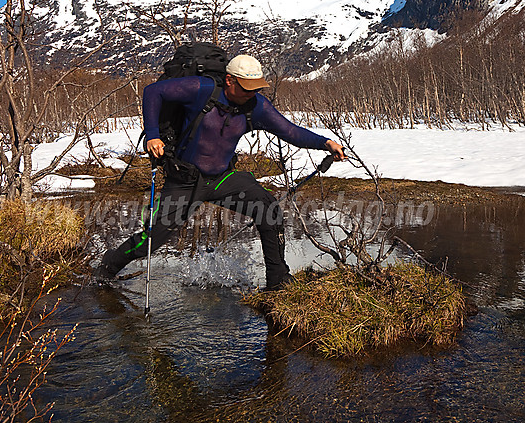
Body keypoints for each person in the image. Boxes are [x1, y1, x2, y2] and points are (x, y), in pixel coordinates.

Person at [96, 54, 345, 290]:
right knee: (151, 242)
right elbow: (153, 91)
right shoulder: (202, 89)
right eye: (247, 88)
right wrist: (152, 135)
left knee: (268, 209)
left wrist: (325, 143)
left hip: (222, 179)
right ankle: (107, 268)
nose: (253, 93)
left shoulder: (256, 105)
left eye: (257, 88)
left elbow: (290, 131)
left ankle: (278, 280)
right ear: (230, 80)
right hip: (184, 180)